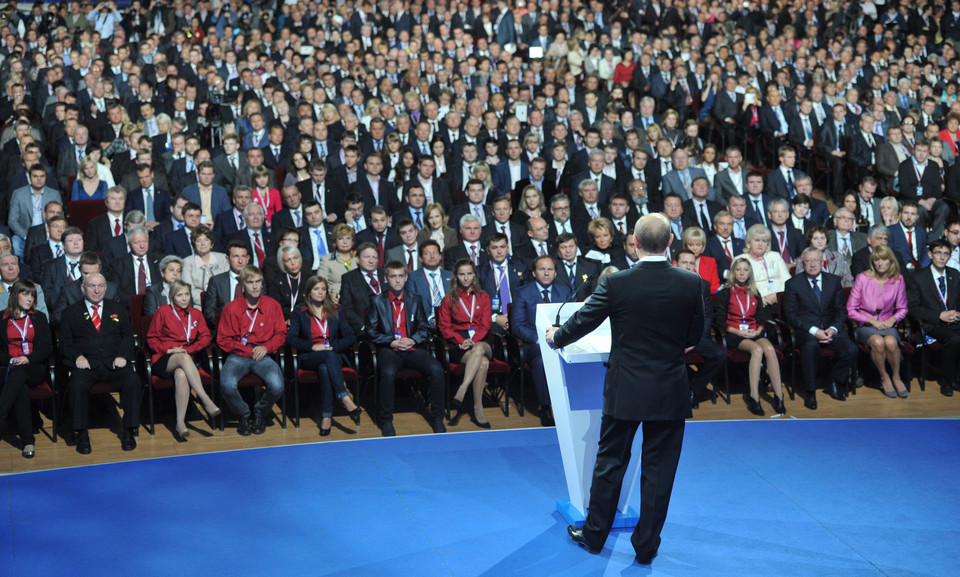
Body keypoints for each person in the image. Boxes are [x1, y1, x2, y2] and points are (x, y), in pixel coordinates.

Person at [547, 213, 703, 565]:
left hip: (626, 388)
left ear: (635, 242)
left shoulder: (618, 283)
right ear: (669, 243)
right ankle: (646, 546)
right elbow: (694, 337)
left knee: (610, 462)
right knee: (659, 470)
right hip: (669, 389)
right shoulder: (692, 284)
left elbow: (584, 320)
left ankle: (594, 536)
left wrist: (556, 337)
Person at [59, 272, 141, 454]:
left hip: (114, 363)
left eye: (101, 286)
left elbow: (128, 337)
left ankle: (129, 430)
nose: (97, 291)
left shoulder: (118, 309)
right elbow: (65, 342)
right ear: (82, 288)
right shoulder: (70, 313)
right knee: (77, 385)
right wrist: (77, 357)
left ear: (106, 288)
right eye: (91, 286)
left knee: (132, 381)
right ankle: (81, 433)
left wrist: (123, 355)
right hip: (87, 364)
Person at [364, 260, 446, 436]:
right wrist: (391, 341)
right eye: (393, 276)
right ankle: (386, 420)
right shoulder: (377, 301)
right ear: (386, 279)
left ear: (406, 277)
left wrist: (413, 339)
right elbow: (370, 332)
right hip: (389, 348)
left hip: (411, 348)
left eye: (401, 276)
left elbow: (425, 327)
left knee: (437, 369)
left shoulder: (415, 299)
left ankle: (438, 417)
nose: (397, 280)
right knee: (387, 373)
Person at [216, 265, 287, 436]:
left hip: (263, 355)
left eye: (258, 282)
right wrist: (247, 351)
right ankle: (244, 414)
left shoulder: (273, 305)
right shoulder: (231, 308)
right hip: (239, 354)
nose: (255, 286)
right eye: (250, 282)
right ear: (242, 285)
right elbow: (223, 340)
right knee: (226, 385)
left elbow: (281, 333)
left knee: (277, 386)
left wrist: (267, 347)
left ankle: (260, 412)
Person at [286, 275, 361, 436]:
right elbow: (291, 338)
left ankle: (326, 416)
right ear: (308, 292)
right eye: (316, 289)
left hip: (332, 355)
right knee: (326, 358)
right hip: (310, 356)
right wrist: (313, 346)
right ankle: (344, 397)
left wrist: (333, 347)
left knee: (325, 367)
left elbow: (350, 335)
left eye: (323, 289)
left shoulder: (335, 310)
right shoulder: (300, 312)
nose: (320, 292)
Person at [783, 247, 858, 409]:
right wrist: (814, 331)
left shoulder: (833, 281)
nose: (812, 264)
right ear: (803, 264)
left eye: (816, 260)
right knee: (810, 347)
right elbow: (791, 316)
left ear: (822, 262)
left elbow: (840, 311)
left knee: (851, 349)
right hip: (807, 330)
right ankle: (810, 392)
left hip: (830, 328)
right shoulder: (792, 284)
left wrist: (833, 329)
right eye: (808, 261)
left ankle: (834, 381)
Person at [145, 280, 220, 440]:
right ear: (172, 297)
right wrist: (168, 350)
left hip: (186, 360)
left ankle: (180, 424)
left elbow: (206, 337)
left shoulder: (196, 314)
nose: (184, 298)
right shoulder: (163, 312)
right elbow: (151, 339)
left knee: (181, 374)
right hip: (164, 359)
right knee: (183, 358)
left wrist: (190, 349)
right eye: (180, 295)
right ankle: (205, 399)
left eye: (187, 294)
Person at [714, 255, 785, 415]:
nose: (741, 273)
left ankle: (779, 396)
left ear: (749, 273)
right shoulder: (726, 293)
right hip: (734, 333)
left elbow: (760, 316)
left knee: (769, 349)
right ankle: (754, 397)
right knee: (757, 350)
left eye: (745, 270)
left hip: (753, 331)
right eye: (738, 270)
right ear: (733, 273)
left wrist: (758, 330)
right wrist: (739, 331)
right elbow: (720, 320)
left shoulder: (754, 292)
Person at [513, 255, 572, 426]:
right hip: (534, 344)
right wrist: (541, 339)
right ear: (533, 272)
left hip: (561, 341)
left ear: (555, 273)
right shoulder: (522, 293)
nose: (546, 273)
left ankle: (570, 404)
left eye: (550, 269)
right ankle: (546, 407)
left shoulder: (565, 291)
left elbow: (572, 319)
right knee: (541, 360)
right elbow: (518, 325)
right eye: (542, 269)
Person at [846, 245, 909, 398]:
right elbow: (850, 309)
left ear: (891, 261)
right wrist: (871, 321)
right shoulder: (863, 278)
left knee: (891, 342)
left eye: (884, 259)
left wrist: (893, 319)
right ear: (872, 262)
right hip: (866, 324)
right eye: (876, 260)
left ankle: (896, 376)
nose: (880, 263)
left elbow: (903, 308)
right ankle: (884, 377)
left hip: (888, 323)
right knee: (879, 343)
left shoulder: (898, 279)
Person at [437, 258, 493, 429]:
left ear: (474, 275)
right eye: (462, 274)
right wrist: (461, 341)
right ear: (456, 277)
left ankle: (462, 388)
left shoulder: (483, 297)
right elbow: (444, 327)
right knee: (482, 363)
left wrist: (474, 340)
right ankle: (478, 408)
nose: (466, 278)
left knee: (479, 349)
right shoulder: (448, 299)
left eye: (469, 274)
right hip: (459, 343)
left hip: (482, 340)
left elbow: (485, 325)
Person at [0, 279, 52, 459]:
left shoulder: (39, 318)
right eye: (25, 294)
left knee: (21, 373)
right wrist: (11, 359)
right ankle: (28, 440)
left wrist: (27, 358)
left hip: (32, 367)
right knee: (19, 387)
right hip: (7, 367)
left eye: (32, 295)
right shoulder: (1, 318)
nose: (30, 298)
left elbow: (46, 348)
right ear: (15, 295)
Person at [907, 239, 960, 397]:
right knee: (955, 339)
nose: (942, 257)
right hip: (932, 323)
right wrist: (939, 315)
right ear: (930, 254)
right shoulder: (918, 278)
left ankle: (957, 376)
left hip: (955, 320)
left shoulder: (954, 274)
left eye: (946, 254)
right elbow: (913, 308)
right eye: (938, 253)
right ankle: (947, 381)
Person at [674, 250, 726, 409]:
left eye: (691, 263)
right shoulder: (667, 284)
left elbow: (708, 315)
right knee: (673, 356)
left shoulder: (703, 285)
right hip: (673, 337)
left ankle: (693, 390)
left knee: (720, 354)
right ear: (675, 264)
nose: (688, 266)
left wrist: (695, 338)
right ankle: (677, 394)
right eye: (685, 262)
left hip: (696, 336)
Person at [743, 224, 791, 305]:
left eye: (764, 241)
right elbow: (741, 288)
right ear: (749, 242)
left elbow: (788, 281)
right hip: (755, 302)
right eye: (757, 240)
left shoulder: (775, 256)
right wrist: (759, 299)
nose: (760, 244)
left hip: (780, 299)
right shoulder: (741, 259)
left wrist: (777, 295)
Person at [180, 226, 228, 305]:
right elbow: (188, 290)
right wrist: (208, 302)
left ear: (211, 243)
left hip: (224, 302)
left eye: (206, 239)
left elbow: (228, 284)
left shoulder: (223, 258)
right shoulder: (187, 262)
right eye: (198, 240)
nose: (203, 243)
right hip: (199, 305)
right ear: (194, 244)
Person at [316, 224, 357, 303]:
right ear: (335, 242)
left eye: (348, 238)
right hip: (337, 300)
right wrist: (330, 293)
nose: (345, 242)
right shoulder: (326, 260)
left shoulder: (359, 257)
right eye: (340, 239)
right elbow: (319, 283)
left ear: (352, 241)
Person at [267, 245, 307, 322]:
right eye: (288, 260)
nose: (293, 263)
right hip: (283, 321)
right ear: (282, 263)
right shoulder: (276, 281)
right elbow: (274, 307)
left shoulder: (309, 279)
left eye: (295, 258)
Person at [682, 227, 720, 293]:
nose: (695, 248)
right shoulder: (678, 262)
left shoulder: (711, 262)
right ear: (686, 246)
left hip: (707, 299)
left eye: (698, 245)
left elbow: (715, 286)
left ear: (703, 246)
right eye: (691, 245)